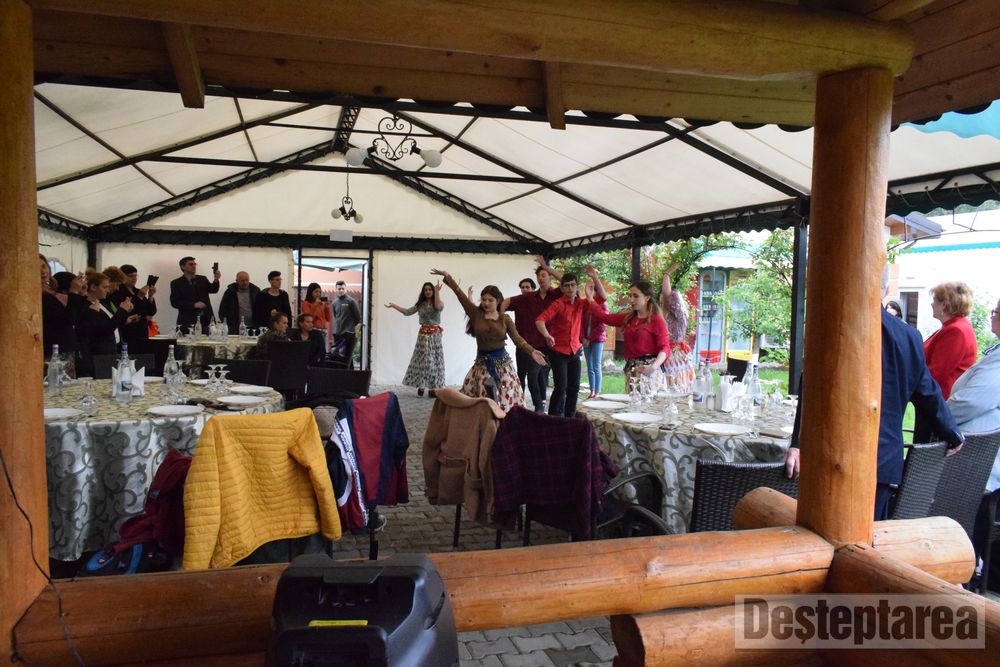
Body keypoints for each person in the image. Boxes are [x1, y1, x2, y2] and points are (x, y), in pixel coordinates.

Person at [785, 268, 964, 521]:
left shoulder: (832, 327)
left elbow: (809, 389)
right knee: (869, 538)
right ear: (885, 289)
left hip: (830, 460)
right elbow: (928, 393)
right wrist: (952, 433)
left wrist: (798, 444)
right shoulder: (908, 337)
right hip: (882, 462)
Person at [431, 268, 546, 412]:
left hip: (503, 367)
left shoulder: (505, 319)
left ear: (498, 301)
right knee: (482, 401)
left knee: (504, 400)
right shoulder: (476, 314)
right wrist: (448, 276)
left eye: (490, 300)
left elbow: (517, 339)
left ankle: (504, 423)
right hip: (481, 366)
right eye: (483, 299)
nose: (486, 303)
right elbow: (459, 294)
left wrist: (532, 351)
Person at [946, 298, 1000, 591]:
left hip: (974, 464)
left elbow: (970, 402)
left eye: (995, 312)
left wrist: (942, 413)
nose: (992, 317)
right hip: (972, 460)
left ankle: (957, 568)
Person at [587, 266, 671, 386]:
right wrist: (590, 298)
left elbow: (665, 347)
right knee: (632, 398)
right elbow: (605, 318)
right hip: (631, 369)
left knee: (648, 399)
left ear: (647, 298)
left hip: (650, 370)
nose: (631, 300)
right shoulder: (629, 318)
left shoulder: (656, 320)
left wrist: (653, 367)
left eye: (636, 296)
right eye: (630, 296)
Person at [502, 261, 561, 412]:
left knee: (553, 379)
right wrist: (499, 317)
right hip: (532, 345)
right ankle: (536, 407)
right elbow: (508, 301)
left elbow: (566, 282)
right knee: (530, 375)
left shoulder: (556, 294)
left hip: (553, 344)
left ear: (549, 277)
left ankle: (550, 407)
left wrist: (547, 268)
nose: (541, 278)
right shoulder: (528, 297)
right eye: (539, 276)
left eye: (544, 275)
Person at [536, 272, 591, 418]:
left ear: (577, 287)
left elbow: (602, 299)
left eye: (573, 285)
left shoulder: (581, 303)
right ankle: (553, 419)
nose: (570, 288)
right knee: (561, 388)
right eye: (566, 286)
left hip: (575, 350)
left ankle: (570, 419)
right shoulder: (558, 304)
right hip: (559, 352)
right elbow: (540, 320)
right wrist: (547, 335)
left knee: (574, 388)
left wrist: (595, 279)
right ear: (561, 288)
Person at [385, 281, 445, 397]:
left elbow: (438, 307)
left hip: (435, 336)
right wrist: (394, 306)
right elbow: (407, 312)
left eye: (430, 290)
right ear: (423, 292)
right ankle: (421, 385)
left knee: (434, 361)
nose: (428, 292)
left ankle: (432, 388)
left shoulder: (439, 303)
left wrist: (437, 292)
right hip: (423, 336)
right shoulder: (420, 305)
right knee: (424, 361)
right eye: (426, 290)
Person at [924, 281, 978, 399]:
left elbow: (935, 372)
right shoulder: (953, 326)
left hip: (943, 401)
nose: (932, 304)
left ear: (944, 305)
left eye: (934, 300)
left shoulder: (956, 330)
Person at [77, 272, 134, 376]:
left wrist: (125, 312)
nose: (107, 290)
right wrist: (122, 310)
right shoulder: (86, 306)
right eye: (104, 287)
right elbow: (105, 329)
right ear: (93, 287)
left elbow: (112, 323)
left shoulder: (103, 304)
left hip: (112, 350)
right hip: (98, 354)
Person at [659, 263, 695, 392]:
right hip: (674, 356)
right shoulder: (673, 314)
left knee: (674, 388)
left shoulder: (678, 314)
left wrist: (667, 274)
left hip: (674, 357)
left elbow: (667, 295)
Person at [169, 256, 221, 334]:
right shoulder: (176, 283)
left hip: (206, 319)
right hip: (187, 320)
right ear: (183, 267)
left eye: (195, 264)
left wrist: (216, 279)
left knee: (209, 339)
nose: (194, 266)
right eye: (191, 264)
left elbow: (213, 289)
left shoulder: (202, 279)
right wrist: (193, 305)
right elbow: (175, 302)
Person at [113, 264, 157, 349]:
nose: (134, 278)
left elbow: (151, 312)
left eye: (135, 276)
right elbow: (130, 310)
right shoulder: (118, 292)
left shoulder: (137, 291)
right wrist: (139, 297)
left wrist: (150, 296)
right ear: (122, 276)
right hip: (128, 331)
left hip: (142, 330)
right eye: (130, 276)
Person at [581, 284, 608, 400]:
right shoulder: (585, 304)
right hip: (586, 339)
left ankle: (597, 391)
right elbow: (580, 322)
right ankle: (591, 391)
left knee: (596, 365)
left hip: (597, 339)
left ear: (596, 292)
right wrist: (583, 338)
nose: (589, 292)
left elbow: (602, 325)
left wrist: (590, 338)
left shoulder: (603, 305)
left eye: (592, 290)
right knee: (589, 366)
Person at [331, 279, 362, 368]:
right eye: (339, 289)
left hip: (348, 334)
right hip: (337, 334)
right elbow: (336, 316)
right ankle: (341, 373)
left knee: (348, 357)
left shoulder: (351, 301)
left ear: (345, 289)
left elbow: (358, 318)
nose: (341, 290)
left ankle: (350, 373)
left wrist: (352, 330)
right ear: (336, 289)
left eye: (343, 289)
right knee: (338, 356)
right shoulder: (334, 303)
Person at [299, 282, 333, 347]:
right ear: (310, 292)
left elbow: (328, 319)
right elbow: (308, 318)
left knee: (322, 351)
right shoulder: (306, 303)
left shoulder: (321, 304)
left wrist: (327, 309)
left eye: (319, 292)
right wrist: (315, 305)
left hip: (323, 331)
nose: (318, 294)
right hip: (313, 331)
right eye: (316, 291)